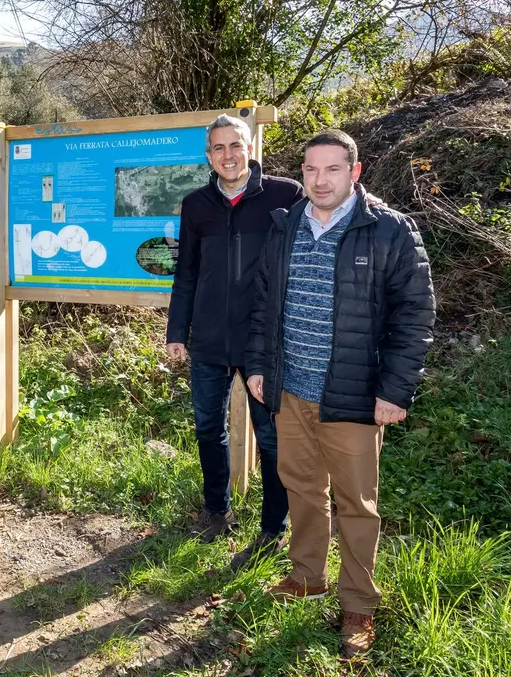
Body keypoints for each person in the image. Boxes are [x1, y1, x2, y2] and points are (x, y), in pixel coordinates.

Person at [246, 129, 435, 658]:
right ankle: (307, 576)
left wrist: (395, 390)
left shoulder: (390, 231)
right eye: (310, 169)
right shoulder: (284, 226)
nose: (320, 180)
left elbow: (415, 315)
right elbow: (264, 304)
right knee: (302, 489)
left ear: (354, 172)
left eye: (332, 169)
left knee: (357, 503)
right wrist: (261, 366)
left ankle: (358, 606)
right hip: (292, 391)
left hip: (353, 394)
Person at [165, 114, 304, 569]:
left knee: (271, 437)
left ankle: (272, 528)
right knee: (208, 427)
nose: (228, 155)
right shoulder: (195, 205)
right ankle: (217, 510)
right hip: (207, 338)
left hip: (261, 341)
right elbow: (185, 273)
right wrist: (176, 332)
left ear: (250, 148)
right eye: (218, 148)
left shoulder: (285, 195)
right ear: (209, 156)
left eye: (235, 145)